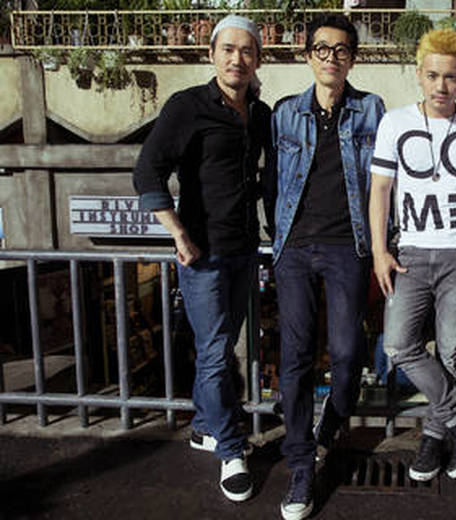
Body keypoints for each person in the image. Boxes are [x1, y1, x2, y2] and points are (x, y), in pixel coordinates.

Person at [133, 15, 273, 502]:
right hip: (202, 255)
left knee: (220, 346)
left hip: (243, 251)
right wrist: (178, 233)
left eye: (247, 50)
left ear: (258, 59)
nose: (237, 59)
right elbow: (147, 171)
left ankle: (203, 426)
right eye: (228, 49)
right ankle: (231, 452)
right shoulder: (187, 106)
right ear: (211, 54)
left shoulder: (259, 113)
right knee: (215, 354)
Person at [270, 13, 385, 520]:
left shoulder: (371, 109)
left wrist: (382, 243)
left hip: (348, 246)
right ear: (308, 55)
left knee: (347, 350)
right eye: (322, 48)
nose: (331, 58)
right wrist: (278, 237)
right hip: (294, 248)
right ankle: (300, 463)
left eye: (341, 50)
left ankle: (330, 423)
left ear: (352, 59)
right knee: (294, 354)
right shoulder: (284, 113)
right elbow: (272, 181)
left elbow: (385, 178)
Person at [368, 28, 456, 483]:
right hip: (411, 252)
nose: (442, 86)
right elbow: (380, 190)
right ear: (419, 75)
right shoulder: (395, 122)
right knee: (398, 345)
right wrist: (379, 250)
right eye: (434, 76)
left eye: (451, 77)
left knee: (452, 352)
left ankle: (434, 438)